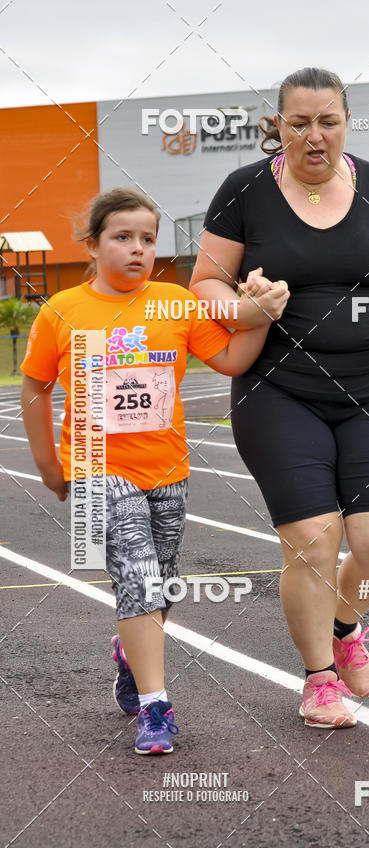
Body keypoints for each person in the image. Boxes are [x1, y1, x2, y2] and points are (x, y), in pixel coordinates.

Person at [190, 67, 369, 729]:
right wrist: (245, 306)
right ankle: (319, 678)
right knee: (312, 537)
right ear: (278, 125)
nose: (313, 135)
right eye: (298, 122)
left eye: (327, 121)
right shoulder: (244, 190)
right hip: (279, 392)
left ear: (346, 123)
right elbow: (204, 287)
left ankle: (344, 623)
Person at [20, 187, 286, 754]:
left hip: (167, 470)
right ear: (91, 245)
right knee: (138, 578)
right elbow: (35, 386)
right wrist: (48, 464)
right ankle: (155, 708)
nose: (137, 249)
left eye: (147, 239)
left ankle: (129, 651)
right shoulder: (61, 311)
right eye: (122, 238)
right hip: (94, 469)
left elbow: (234, 359)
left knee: (158, 586)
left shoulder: (175, 303)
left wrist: (262, 314)